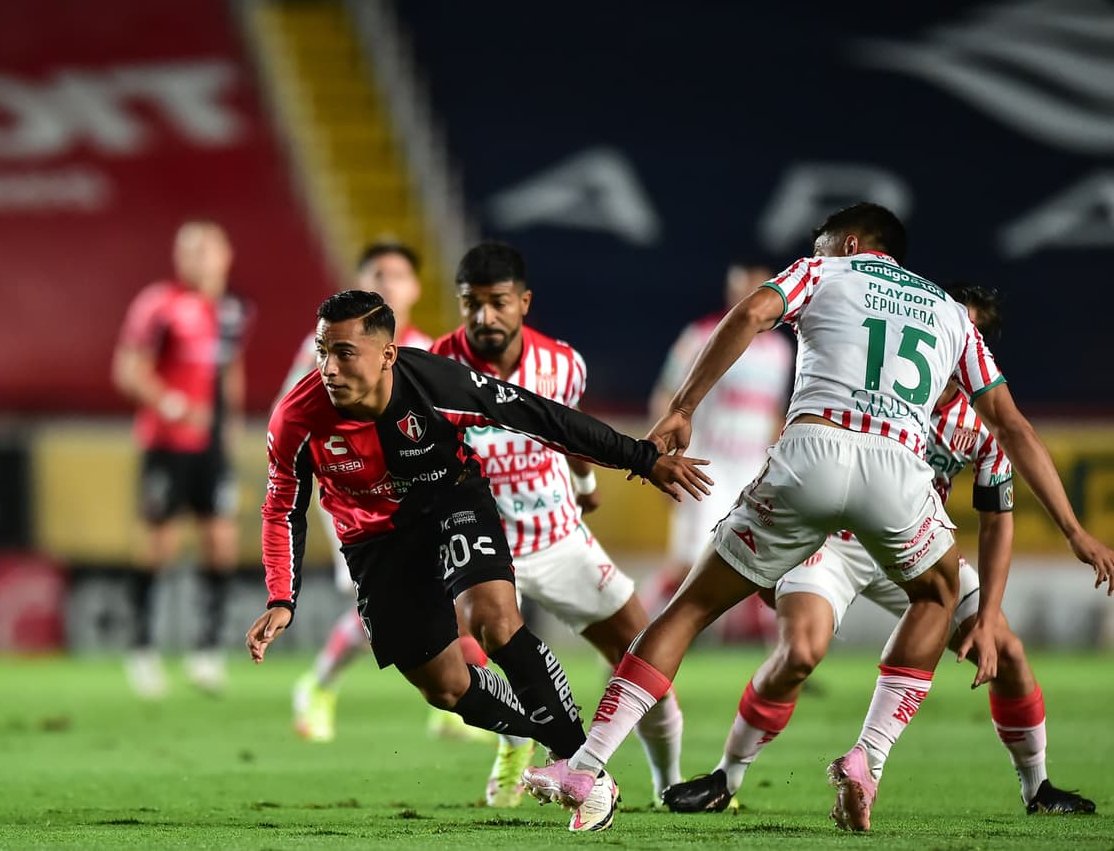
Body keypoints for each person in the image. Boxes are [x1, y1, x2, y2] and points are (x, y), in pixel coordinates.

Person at [522, 202, 1114, 832]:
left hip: (813, 452)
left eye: (822, 242)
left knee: (688, 610)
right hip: (897, 473)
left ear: (848, 242)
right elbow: (1013, 425)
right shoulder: (947, 314)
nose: (817, 248)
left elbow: (752, 312)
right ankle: (864, 756)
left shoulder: (825, 271)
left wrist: (684, 405)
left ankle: (587, 766)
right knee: (939, 595)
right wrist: (1076, 531)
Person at [247, 289, 711, 831]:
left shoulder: (437, 385)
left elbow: (544, 418)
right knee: (444, 686)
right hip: (375, 543)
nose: (328, 367)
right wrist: (282, 596)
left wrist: (642, 457)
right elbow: (282, 505)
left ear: (387, 355)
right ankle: (530, 735)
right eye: (324, 350)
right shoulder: (296, 418)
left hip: (452, 501)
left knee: (492, 620)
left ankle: (584, 770)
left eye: (345, 352)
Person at [662, 285, 1096, 817]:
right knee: (800, 652)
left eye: (971, 335)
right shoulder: (865, 385)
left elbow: (995, 521)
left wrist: (987, 614)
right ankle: (726, 778)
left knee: (1005, 649)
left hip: (912, 552)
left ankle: (1037, 788)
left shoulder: (980, 423)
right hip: (833, 544)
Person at [430, 242, 683, 812]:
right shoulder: (433, 369)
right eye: (471, 304)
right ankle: (515, 741)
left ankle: (671, 784)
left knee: (645, 661)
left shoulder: (563, 364)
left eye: (497, 303)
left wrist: (587, 486)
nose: (483, 318)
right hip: (482, 551)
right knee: (491, 652)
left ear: (524, 301)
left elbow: (568, 432)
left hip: (559, 536)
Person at [284, 242, 447, 742]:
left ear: (416, 288)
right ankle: (317, 685)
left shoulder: (428, 350)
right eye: (378, 274)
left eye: (399, 275)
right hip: (352, 496)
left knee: (446, 592)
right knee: (380, 600)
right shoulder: (327, 349)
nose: (389, 284)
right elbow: (291, 423)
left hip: (413, 498)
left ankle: (447, 705)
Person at [112, 219, 253, 698]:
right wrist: (172, 405)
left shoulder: (232, 311)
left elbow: (230, 370)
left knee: (221, 542)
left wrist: (229, 428)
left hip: (211, 448)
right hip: (166, 443)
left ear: (226, 255)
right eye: (189, 250)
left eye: (208, 249)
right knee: (159, 544)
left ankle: (206, 652)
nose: (199, 259)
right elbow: (128, 368)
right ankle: (141, 648)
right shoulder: (158, 305)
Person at [644, 260, 792, 619]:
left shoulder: (780, 352)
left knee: (771, 566)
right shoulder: (700, 336)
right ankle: (630, 637)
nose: (747, 296)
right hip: (706, 466)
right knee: (689, 562)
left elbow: (774, 413)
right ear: (730, 289)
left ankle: (785, 667)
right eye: (741, 286)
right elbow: (665, 396)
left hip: (752, 471)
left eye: (756, 288)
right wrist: (662, 459)